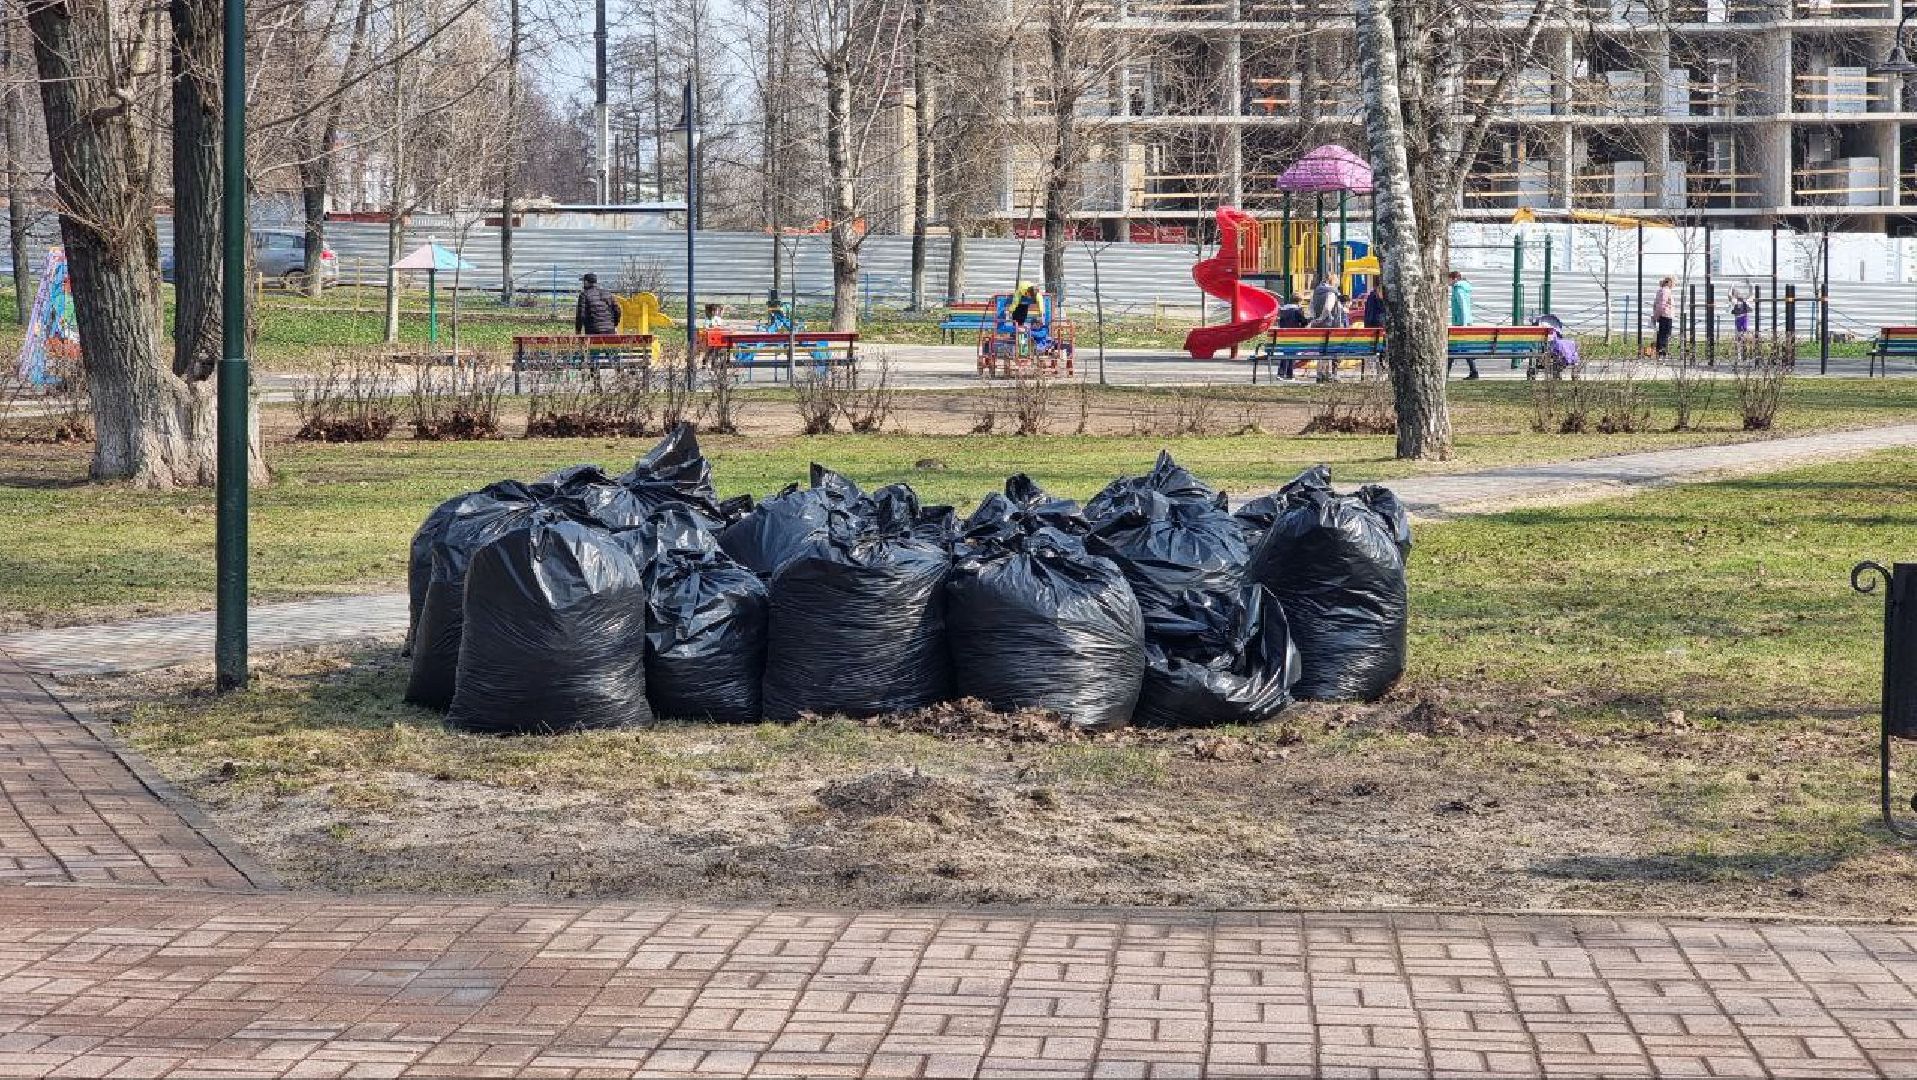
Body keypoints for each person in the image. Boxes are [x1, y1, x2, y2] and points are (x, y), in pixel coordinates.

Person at [1448, 271, 1479, 379]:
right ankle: (1474, 372)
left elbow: (1463, 306)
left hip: (1461, 324)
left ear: (1454, 278)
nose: (1447, 282)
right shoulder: (1464, 288)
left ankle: (1446, 373)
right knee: (1464, 348)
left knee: (1452, 348)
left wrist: (1463, 325)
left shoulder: (1458, 289)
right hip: (1464, 322)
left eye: (1448, 279)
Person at [1652, 276, 1676, 359]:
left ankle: (1660, 353)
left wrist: (1656, 315)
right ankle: (1662, 354)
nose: (1674, 285)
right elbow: (1661, 304)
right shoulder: (1666, 291)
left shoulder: (1661, 290)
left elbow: (1656, 304)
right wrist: (1657, 316)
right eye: (1674, 283)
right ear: (1669, 282)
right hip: (1666, 315)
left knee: (1662, 334)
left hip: (1662, 315)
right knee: (1665, 335)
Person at [1729, 284, 1752, 363]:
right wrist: (1731, 287)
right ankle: (1739, 355)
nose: (1738, 294)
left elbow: (1751, 295)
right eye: (1736, 293)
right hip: (1738, 320)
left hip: (1743, 319)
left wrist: (1750, 285)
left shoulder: (1745, 301)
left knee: (1744, 337)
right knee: (1738, 338)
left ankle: (1745, 354)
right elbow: (1729, 295)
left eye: (1738, 293)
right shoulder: (1734, 301)